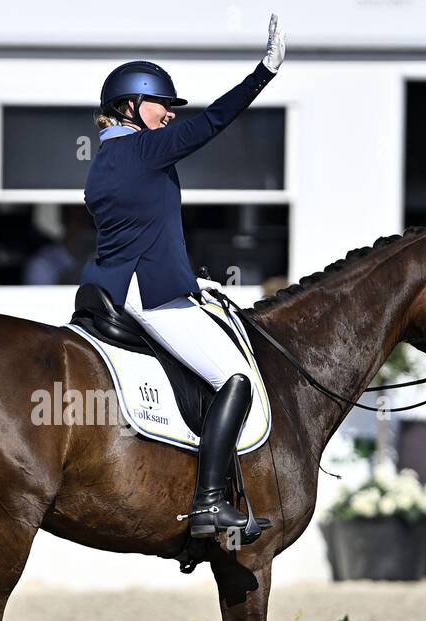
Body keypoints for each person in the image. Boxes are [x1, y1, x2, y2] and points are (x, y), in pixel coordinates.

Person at [80, 14, 285, 539]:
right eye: (161, 106)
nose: (170, 115)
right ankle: (209, 503)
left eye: (171, 108)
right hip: (147, 293)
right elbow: (213, 121)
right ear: (129, 107)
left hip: (119, 285)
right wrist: (264, 73)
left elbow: (143, 231)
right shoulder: (141, 150)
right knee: (235, 378)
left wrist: (194, 282)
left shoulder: (108, 159)